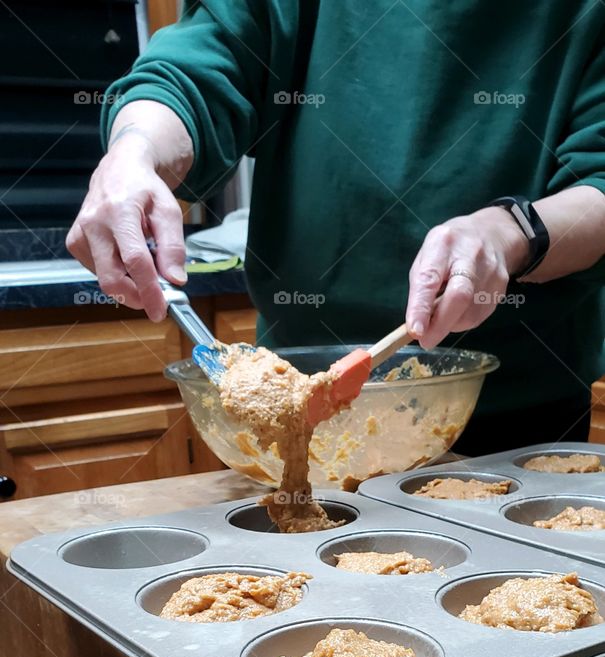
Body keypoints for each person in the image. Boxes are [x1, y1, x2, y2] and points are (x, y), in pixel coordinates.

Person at [67, 0, 605, 453]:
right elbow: (199, 70)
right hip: (297, 394)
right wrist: (135, 149)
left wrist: (509, 233)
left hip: (523, 413)